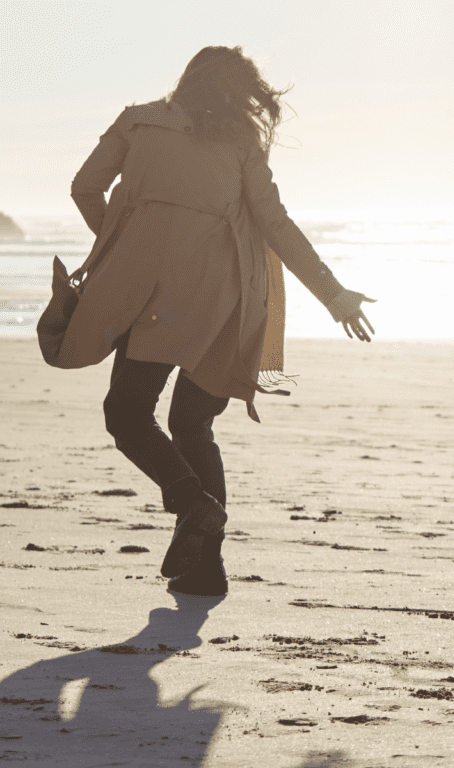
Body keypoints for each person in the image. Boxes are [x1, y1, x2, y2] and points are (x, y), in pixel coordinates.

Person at [64, 45, 375, 597]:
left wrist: (126, 245)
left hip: (153, 296)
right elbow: (275, 224)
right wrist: (335, 295)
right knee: (192, 424)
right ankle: (206, 569)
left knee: (127, 413)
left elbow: (84, 187)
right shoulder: (241, 143)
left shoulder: (137, 121)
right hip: (227, 302)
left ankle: (195, 506)